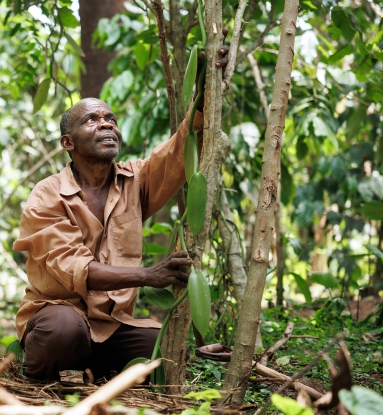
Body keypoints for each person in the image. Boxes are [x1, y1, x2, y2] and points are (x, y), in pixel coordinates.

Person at [12, 45, 229, 382]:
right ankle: (41, 376)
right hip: (59, 317)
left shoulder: (136, 179)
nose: (106, 125)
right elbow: (77, 268)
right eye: (92, 120)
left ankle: (95, 372)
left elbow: (181, 148)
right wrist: (148, 275)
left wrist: (206, 86)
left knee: (167, 348)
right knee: (64, 330)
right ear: (67, 143)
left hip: (112, 326)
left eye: (110, 119)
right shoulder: (47, 195)